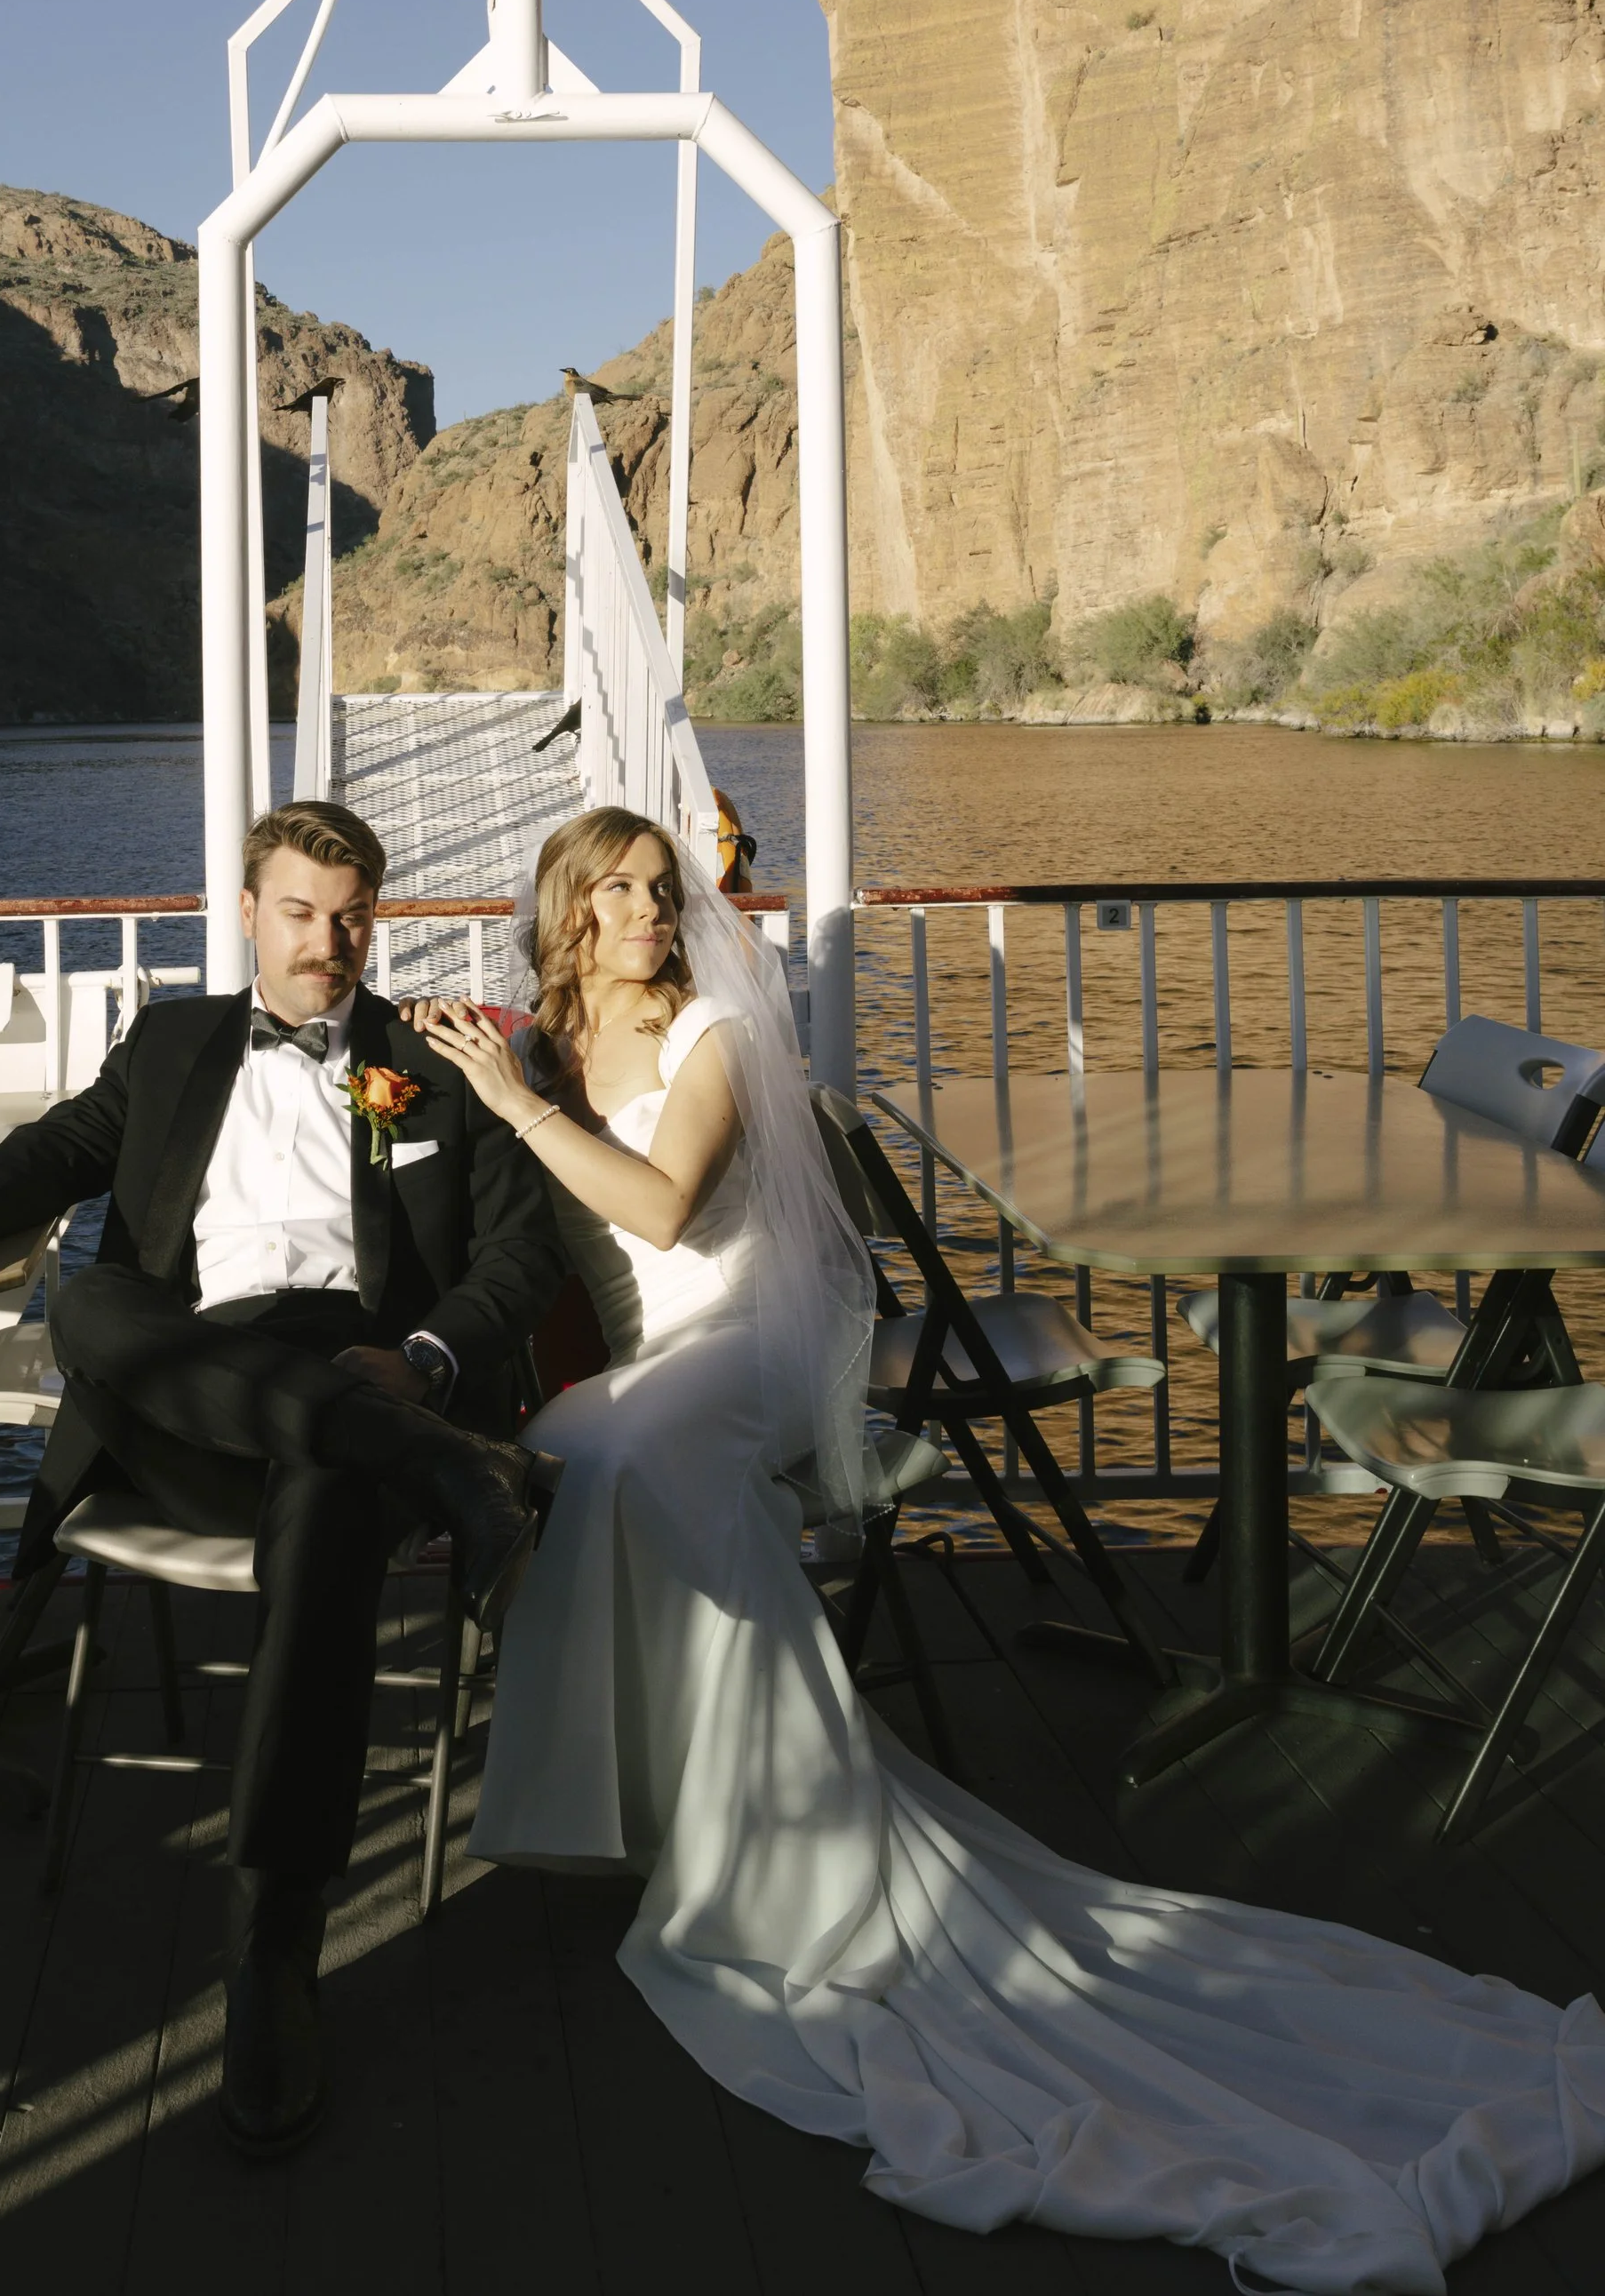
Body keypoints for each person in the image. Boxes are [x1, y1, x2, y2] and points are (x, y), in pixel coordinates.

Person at [403, 807, 1605, 2296]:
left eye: (666, 889)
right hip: (665, 1356)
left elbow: (656, 1206)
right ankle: (630, 1798)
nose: (652, 911)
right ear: (569, 913)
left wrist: (510, 1103)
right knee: (579, 1447)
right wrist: (469, 1089)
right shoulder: (548, 1046)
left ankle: (765, 1841)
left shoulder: (715, 1027)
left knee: (636, 1451)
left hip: (761, 1338)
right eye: (622, 893)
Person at [0, 798, 563, 2161]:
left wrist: (421, 1359)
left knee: (330, 1504)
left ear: (377, 921)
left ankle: (271, 1955)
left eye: (351, 919)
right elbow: (55, 1154)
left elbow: (520, 1261)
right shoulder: (173, 1043)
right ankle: (460, 1479)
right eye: (299, 913)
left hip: (359, 1376)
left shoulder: (438, 1061)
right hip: (190, 1376)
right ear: (247, 912)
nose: (325, 944)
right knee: (97, 1306)